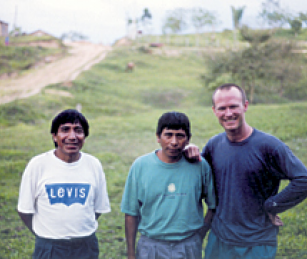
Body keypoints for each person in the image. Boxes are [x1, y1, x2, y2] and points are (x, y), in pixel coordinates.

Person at [185, 83, 307, 259]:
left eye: (234, 106)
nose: (228, 113)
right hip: (220, 240)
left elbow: (303, 179)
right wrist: (188, 151)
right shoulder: (214, 145)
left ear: (245, 106)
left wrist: (272, 205)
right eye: (222, 108)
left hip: (257, 243)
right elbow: (197, 177)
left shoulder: (269, 146)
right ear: (214, 110)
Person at [17, 109, 111, 259]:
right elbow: (25, 211)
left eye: (78, 131)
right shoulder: (38, 165)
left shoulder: (93, 165)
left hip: (86, 246)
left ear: (85, 137)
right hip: (49, 247)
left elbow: (97, 209)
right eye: (65, 130)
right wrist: (46, 235)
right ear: (54, 136)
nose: (72, 137)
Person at [121, 111, 216, 259]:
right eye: (168, 135)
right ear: (158, 137)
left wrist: (199, 236)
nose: (174, 142)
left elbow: (212, 206)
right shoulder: (140, 166)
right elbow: (131, 213)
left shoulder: (199, 165)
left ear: (188, 139)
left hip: (188, 245)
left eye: (180, 135)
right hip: (151, 246)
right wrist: (131, 254)